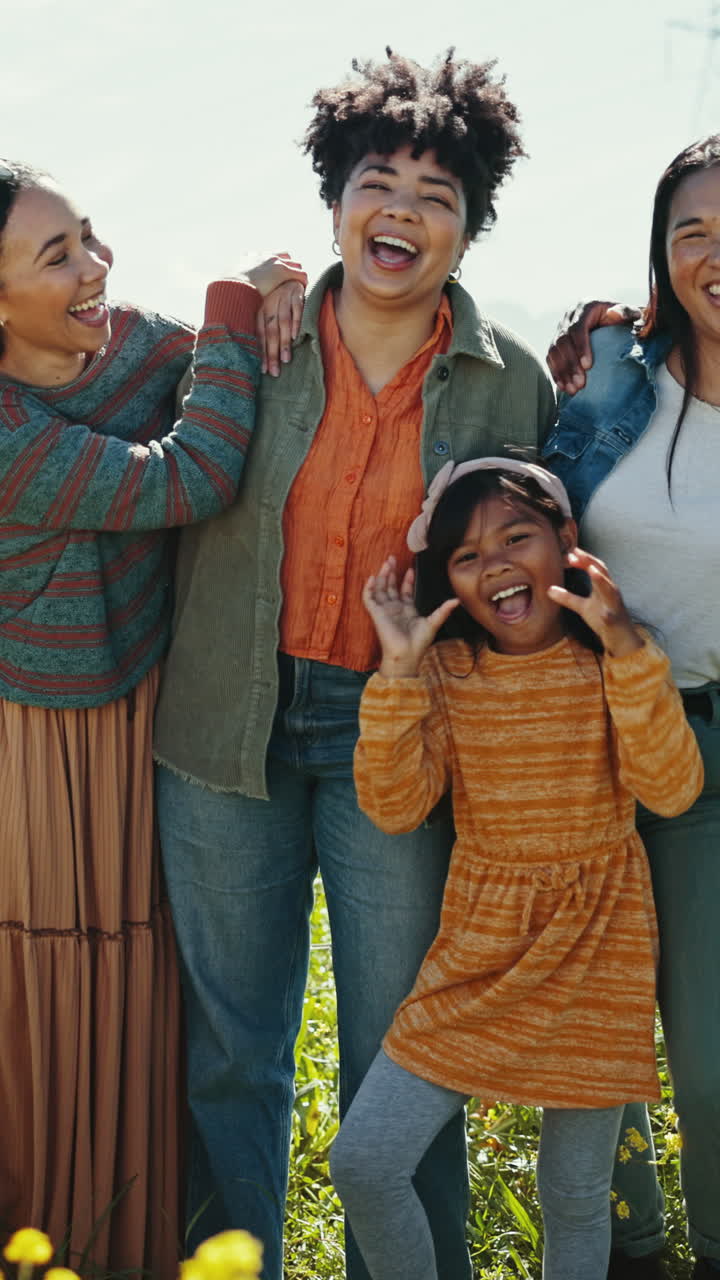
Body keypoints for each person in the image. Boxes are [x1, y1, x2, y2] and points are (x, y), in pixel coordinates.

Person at [152, 48, 556, 1280]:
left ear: (469, 228)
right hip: (229, 719)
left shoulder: (514, 381)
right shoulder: (249, 344)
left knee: (398, 1052)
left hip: (400, 738)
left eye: (439, 196)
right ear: (335, 199)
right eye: (379, 181)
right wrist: (240, 287)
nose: (403, 213)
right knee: (236, 1046)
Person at [0, 158, 304, 1276]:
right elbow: (189, 477)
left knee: (144, 970)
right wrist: (230, 309)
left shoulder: (121, 342)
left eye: (89, 236)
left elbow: (219, 354)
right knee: (61, 976)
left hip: (141, 715)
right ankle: (58, 1236)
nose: (97, 268)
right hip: (42, 738)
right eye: (59, 255)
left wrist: (265, 291)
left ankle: (145, 1235)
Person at [329, 458, 702, 1280]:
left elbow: (672, 791)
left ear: (567, 543)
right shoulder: (445, 674)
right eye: (465, 555)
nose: (494, 562)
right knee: (363, 1162)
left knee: (574, 1194)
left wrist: (629, 648)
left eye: (516, 536)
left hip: (597, 950)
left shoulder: (615, 661)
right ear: (449, 583)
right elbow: (393, 806)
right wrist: (395, 675)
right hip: (479, 954)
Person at [542, 134, 720, 1280]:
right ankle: (631, 1250)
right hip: (600, 735)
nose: (716, 254)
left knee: (706, 1058)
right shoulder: (622, 376)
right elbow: (535, 497)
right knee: (594, 1034)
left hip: (708, 745)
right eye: (693, 230)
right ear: (662, 255)